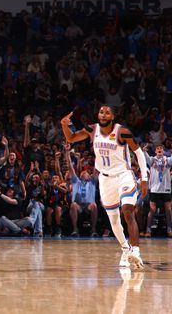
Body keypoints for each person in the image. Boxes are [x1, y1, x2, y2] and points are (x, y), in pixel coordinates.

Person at [61, 106, 148, 270]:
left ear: (113, 116)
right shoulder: (92, 129)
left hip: (124, 175)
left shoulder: (122, 132)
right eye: (101, 112)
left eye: (107, 112)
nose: (103, 115)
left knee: (128, 211)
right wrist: (64, 125)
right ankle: (125, 249)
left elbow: (139, 153)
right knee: (114, 220)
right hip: (105, 179)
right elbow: (71, 138)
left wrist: (144, 178)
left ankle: (136, 251)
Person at [66, 142, 99, 237]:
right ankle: (75, 229)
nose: (84, 173)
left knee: (94, 205)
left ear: (90, 176)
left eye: (86, 172)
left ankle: (93, 229)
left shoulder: (92, 182)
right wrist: (67, 152)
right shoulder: (76, 181)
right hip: (79, 206)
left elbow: (96, 168)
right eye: (82, 172)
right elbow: (70, 167)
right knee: (73, 205)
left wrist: (97, 152)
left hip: (88, 206)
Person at [145, 143, 172, 237]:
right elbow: (145, 157)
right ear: (155, 151)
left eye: (161, 148)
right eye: (158, 148)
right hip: (154, 189)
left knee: (168, 209)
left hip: (165, 188)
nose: (159, 149)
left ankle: (169, 229)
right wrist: (144, 151)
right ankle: (148, 229)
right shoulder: (152, 160)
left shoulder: (167, 159)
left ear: (163, 151)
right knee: (152, 209)